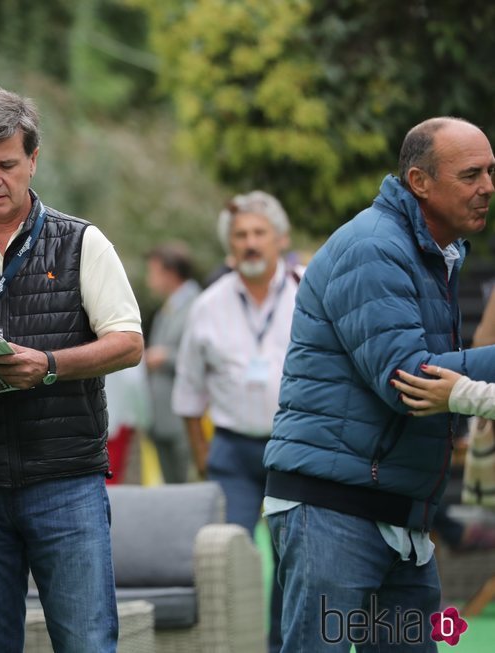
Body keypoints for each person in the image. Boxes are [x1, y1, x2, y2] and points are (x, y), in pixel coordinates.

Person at [0, 88, 143, 653]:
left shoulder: (83, 242)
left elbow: (129, 342)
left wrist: (50, 366)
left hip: (67, 484)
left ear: (33, 161)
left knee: (87, 644)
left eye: (7, 165)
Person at [263, 116, 495, 651]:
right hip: (334, 511)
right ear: (419, 182)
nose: (487, 187)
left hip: (396, 515)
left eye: (490, 172)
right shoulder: (373, 246)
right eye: (470, 175)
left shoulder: (437, 253)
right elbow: (409, 382)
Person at [171, 190, 294, 653]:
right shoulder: (208, 305)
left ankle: (282, 644)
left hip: (294, 451)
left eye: (259, 233)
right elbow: (187, 397)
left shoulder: (307, 294)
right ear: (230, 245)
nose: (250, 243)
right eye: (241, 234)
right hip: (232, 453)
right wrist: (205, 459)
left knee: (293, 559)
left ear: (280, 239)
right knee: (225, 557)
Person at [144, 242, 201, 483]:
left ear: (170, 273)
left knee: (189, 489)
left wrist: (165, 357)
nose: (149, 279)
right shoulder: (166, 309)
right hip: (161, 420)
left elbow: (203, 358)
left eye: (153, 272)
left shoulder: (198, 306)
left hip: (184, 422)